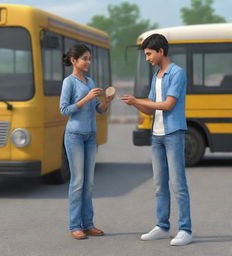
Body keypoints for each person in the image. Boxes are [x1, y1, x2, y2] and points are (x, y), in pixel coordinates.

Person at [120, 34, 192, 246]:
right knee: (159, 184)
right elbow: (151, 109)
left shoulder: (176, 73)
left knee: (178, 184)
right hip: (157, 135)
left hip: (173, 134)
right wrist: (134, 104)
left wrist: (138, 100)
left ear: (161, 51)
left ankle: (186, 230)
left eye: (149, 54)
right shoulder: (156, 76)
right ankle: (162, 226)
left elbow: (168, 105)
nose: (147, 58)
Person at [60, 44, 114, 240]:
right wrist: (86, 98)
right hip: (74, 136)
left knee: (89, 183)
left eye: (89, 58)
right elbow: (64, 110)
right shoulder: (69, 82)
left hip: (90, 136)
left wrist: (106, 101)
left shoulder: (90, 81)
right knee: (78, 182)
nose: (88, 62)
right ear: (74, 61)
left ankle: (88, 224)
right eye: (84, 58)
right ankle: (75, 226)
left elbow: (98, 109)